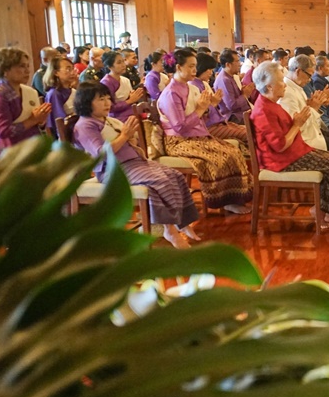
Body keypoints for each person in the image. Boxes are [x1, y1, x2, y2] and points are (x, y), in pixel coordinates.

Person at [72, 82, 201, 248]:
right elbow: (101, 154)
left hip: (134, 163)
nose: (107, 103)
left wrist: (130, 138)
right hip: (114, 170)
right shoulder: (84, 125)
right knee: (160, 182)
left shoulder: (107, 120)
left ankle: (182, 223)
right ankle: (169, 229)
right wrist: (125, 136)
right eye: (100, 99)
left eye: (107, 98)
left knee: (175, 176)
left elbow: (126, 141)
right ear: (86, 102)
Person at [250, 61, 329, 226]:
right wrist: (297, 124)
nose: (285, 85)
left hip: (292, 151)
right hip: (280, 160)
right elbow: (280, 145)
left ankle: (327, 212)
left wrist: (304, 114)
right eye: (281, 82)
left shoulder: (271, 103)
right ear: (269, 87)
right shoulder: (264, 110)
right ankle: (324, 211)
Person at [157, 49, 252, 213]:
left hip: (197, 136)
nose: (195, 70)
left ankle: (235, 197)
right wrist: (201, 109)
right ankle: (223, 200)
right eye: (191, 66)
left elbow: (201, 118)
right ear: (178, 67)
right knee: (220, 158)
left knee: (233, 151)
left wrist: (209, 106)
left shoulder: (190, 88)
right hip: (179, 141)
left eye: (195, 66)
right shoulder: (171, 94)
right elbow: (180, 127)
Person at [0, 47, 51, 159]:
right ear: (5, 69)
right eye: (21, 66)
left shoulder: (29, 91)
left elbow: (37, 123)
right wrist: (33, 120)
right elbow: (3, 131)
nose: (27, 70)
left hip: (33, 145)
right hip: (9, 153)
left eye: (27, 66)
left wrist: (41, 120)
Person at [192, 52, 246, 144]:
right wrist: (212, 104)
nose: (211, 72)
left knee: (249, 130)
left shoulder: (203, 83)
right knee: (248, 133)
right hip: (209, 125)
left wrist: (214, 103)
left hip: (218, 121)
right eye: (209, 69)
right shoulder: (193, 86)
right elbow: (199, 112)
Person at [100, 50, 146, 122]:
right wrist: (129, 101)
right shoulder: (106, 83)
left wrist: (134, 96)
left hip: (132, 112)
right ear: (109, 66)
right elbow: (110, 107)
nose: (123, 65)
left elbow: (131, 98)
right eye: (119, 62)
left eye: (123, 61)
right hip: (117, 118)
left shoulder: (125, 80)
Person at [213, 49, 255, 123]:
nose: (240, 64)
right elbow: (232, 106)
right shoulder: (224, 80)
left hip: (242, 113)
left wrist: (242, 92)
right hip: (235, 117)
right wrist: (245, 95)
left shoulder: (230, 76)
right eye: (237, 61)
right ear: (228, 65)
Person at [44, 54, 78, 138]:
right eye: (68, 69)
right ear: (56, 73)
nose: (72, 72)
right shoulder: (54, 93)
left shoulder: (71, 89)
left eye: (72, 68)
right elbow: (60, 121)